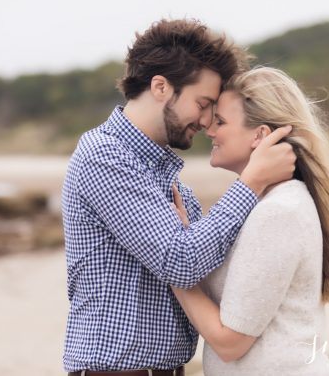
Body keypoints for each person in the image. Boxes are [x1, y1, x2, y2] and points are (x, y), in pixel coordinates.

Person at [61, 20, 296, 375]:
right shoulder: (103, 155)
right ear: (160, 87)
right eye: (202, 103)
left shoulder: (170, 181)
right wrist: (252, 182)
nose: (206, 121)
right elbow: (181, 261)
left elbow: (205, 268)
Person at [171, 67, 329, 375]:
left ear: (261, 135)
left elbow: (231, 343)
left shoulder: (279, 212)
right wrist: (185, 240)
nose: (209, 130)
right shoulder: (260, 205)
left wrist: (171, 267)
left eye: (221, 121)